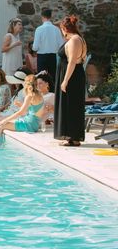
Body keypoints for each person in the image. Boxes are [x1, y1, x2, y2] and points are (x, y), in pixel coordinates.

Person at [54, 15, 87, 147]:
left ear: (64, 29)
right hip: (72, 75)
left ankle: (73, 136)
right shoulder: (77, 39)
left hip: (72, 76)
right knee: (70, 105)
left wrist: (65, 80)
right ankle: (72, 137)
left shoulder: (74, 40)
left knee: (71, 105)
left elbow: (72, 61)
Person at [32, 8, 64, 78]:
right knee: (53, 77)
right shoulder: (56, 29)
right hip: (53, 56)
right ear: (51, 16)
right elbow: (61, 45)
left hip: (41, 57)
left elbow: (35, 47)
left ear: (42, 17)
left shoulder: (39, 29)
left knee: (41, 78)